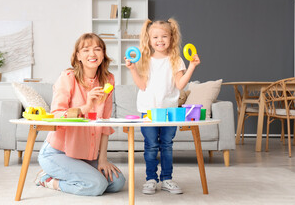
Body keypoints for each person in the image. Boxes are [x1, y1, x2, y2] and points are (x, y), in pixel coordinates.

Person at [35, 33, 126, 196]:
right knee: (96, 185)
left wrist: (103, 159)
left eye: (97, 49)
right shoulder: (68, 78)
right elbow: (56, 115)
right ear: (78, 55)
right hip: (57, 153)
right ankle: (48, 180)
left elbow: (104, 124)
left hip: (85, 155)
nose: (92, 54)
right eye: (86, 50)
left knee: (118, 182)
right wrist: (85, 107)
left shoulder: (108, 80)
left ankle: (78, 175)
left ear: (103, 54)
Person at [125, 18, 200, 195]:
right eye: (155, 37)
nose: (160, 40)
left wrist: (192, 66)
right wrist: (132, 69)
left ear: (171, 37)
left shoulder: (176, 60)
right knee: (151, 145)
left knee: (166, 145)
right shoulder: (144, 60)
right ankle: (151, 179)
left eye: (164, 36)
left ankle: (167, 179)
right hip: (148, 110)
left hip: (169, 111)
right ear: (149, 39)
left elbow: (180, 85)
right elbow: (142, 86)